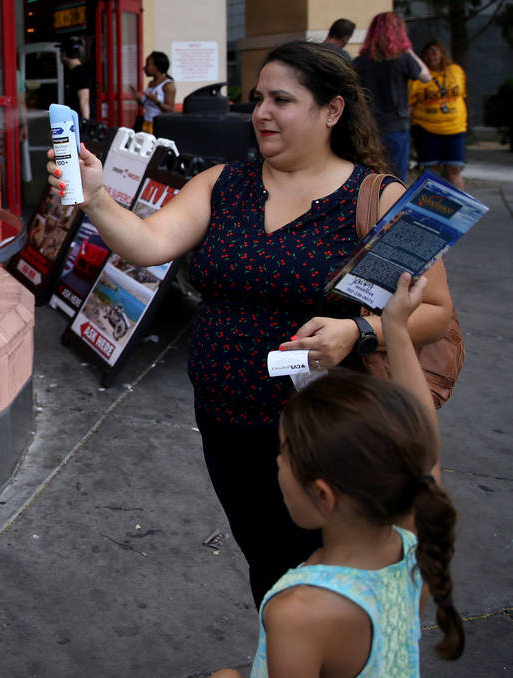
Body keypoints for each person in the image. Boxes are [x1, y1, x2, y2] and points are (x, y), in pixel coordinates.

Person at [47, 41, 454, 607]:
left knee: (325, 578)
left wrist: (358, 333)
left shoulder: (379, 199)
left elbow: (434, 314)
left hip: (324, 438)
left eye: (281, 99)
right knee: (267, 562)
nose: (261, 111)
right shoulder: (223, 183)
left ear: (331, 111)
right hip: (225, 423)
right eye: (258, 97)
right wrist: (95, 198)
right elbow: (149, 243)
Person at [209, 273, 464, 677]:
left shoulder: (298, 612)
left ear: (324, 495)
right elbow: (423, 434)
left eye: (286, 453)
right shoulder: (416, 541)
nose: (277, 462)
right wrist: (395, 328)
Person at [353, 11, 431, 180]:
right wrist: (408, 49)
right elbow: (426, 76)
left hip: (367, 128)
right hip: (396, 126)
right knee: (395, 181)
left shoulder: (361, 62)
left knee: (369, 180)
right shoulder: (403, 59)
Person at [410, 40, 468, 190]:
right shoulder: (418, 76)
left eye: (434, 51)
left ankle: (460, 210)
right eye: (427, 53)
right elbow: (410, 103)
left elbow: (462, 96)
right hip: (426, 129)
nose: (431, 56)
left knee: (454, 170)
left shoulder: (455, 71)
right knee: (431, 172)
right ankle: (431, 210)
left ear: (442, 53)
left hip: (455, 129)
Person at [129, 51, 176, 134]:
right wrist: (139, 98)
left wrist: (156, 101)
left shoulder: (168, 85)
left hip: (158, 125)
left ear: (156, 67)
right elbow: (148, 105)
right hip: (146, 123)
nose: (144, 68)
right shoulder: (151, 83)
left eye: (147, 64)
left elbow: (170, 110)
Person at [61, 38, 92, 122]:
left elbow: (84, 99)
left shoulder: (80, 72)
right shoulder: (75, 72)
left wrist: (85, 123)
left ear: (64, 54)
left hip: (79, 123)